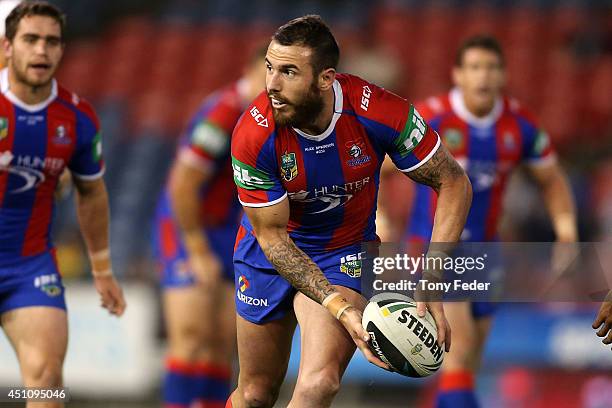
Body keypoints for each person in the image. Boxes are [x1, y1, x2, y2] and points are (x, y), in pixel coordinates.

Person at [227, 15, 472, 408]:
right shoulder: (253, 134)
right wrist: (338, 308)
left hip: (343, 252)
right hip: (269, 252)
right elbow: (272, 238)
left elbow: (453, 182)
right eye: (270, 68)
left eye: (288, 72)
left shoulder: (381, 113)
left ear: (326, 78)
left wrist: (432, 280)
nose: (271, 84)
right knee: (255, 394)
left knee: (320, 383)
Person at [402, 35, 577, 407]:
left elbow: (551, 178)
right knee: (460, 348)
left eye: (492, 68)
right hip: (437, 246)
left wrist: (566, 231)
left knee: (468, 361)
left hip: (486, 248)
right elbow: (381, 166)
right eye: (475, 68)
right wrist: (380, 215)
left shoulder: (520, 125)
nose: (484, 76)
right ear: (458, 75)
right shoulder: (432, 117)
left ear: (503, 75)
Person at [0, 2, 125, 407]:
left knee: (47, 382)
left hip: (29, 266)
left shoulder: (77, 118)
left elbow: (92, 192)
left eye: (51, 41)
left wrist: (102, 269)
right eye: (30, 39)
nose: (41, 50)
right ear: (7, 47)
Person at [152, 46, 266, 408]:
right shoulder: (223, 113)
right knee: (191, 334)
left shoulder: (268, 117)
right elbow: (183, 185)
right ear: (251, 72)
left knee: (221, 340)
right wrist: (197, 248)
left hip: (228, 232)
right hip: (189, 227)